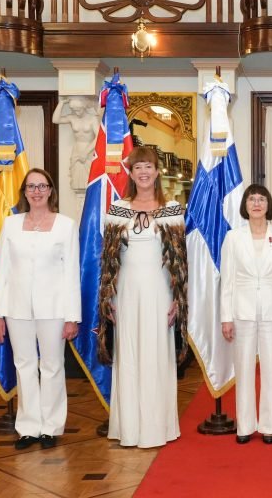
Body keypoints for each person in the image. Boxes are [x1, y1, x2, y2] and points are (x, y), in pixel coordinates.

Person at [97, 146, 188, 448]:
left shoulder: (172, 208)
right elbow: (108, 260)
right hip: (125, 293)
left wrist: (178, 298)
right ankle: (130, 428)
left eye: (148, 166)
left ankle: (156, 428)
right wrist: (108, 297)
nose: (144, 172)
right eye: (138, 167)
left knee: (157, 357)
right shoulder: (117, 209)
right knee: (129, 356)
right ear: (131, 173)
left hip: (160, 293)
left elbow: (180, 261)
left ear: (157, 172)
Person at [0, 168, 81, 450]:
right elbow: (1, 271)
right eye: (31, 187)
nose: (37, 191)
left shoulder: (66, 225)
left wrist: (72, 316)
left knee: (52, 366)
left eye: (42, 186)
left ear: (51, 191)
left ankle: (50, 427)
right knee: (24, 365)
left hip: (54, 309)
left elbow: (71, 274)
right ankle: (28, 428)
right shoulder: (10, 224)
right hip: (16, 309)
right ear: (24, 192)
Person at [220, 184, 272, 445]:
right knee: (243, 370)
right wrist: (226, 317)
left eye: (261, 199)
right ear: (245, 205)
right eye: (251, 199)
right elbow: (227, 281)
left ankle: (269, 426)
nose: (256, 204)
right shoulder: (233, 237)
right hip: (241, 312)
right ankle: (245, 425)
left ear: (268, 205)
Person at [52, 97, 99, 190]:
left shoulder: (92, 119)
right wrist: (61, 103)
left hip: (89, 150)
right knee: (76, 180)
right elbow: (55, 120)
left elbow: (98, 137)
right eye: (74, 110)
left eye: (79, 110)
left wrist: (86, 152)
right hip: (77, 150)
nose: (77, 112)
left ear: (84, 107)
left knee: (88, 178)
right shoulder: (72, 118)